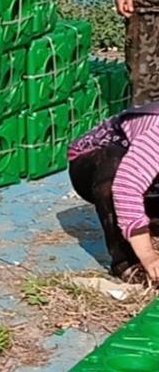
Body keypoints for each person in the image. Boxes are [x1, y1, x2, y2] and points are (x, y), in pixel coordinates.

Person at [68, 105, 159, 284]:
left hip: (149, 178)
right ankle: (127, 262)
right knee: (112, 176)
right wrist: (149, 256)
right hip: (96, 162)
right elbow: (127, 187)